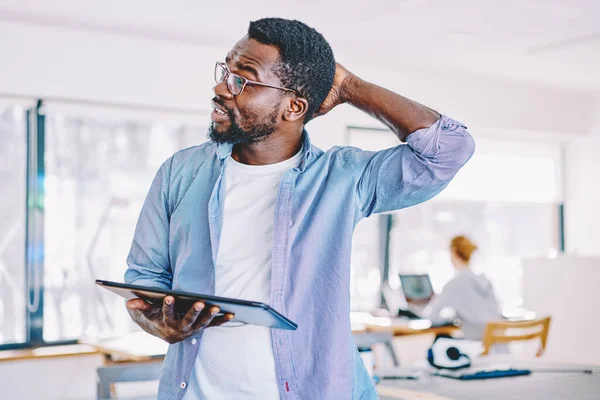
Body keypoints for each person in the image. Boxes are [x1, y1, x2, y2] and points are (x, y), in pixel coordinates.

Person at [124, 17, 475, 400]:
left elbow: (449, 150)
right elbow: (145, 277)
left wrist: (349, 87)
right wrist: (159, 324)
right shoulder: (181, 171)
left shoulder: (343, 178)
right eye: (226, 70)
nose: (221, 87)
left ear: (293, 106)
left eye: (243, 78)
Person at [426, 236, 502, 340]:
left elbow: (432, 317)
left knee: (439, 343)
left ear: (453, 253)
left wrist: (451, 318)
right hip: (497, 345)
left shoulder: (454, 284)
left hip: (478, 346)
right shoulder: (484, 281)